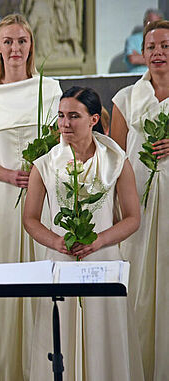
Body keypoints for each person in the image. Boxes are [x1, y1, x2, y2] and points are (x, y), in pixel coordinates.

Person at [24, 86, 144, 381]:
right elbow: (30, 219)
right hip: (60, 261)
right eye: (61, 116)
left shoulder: (117, 161)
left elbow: (132, 218)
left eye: (74, 116)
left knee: (104, 336)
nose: (65, 124)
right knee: (60, 336)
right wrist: (56, 241)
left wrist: (99, 240)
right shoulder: (44, 164)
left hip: (103, 261)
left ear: (93, 119)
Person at [0, 13, 62, 380]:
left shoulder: (50, 89)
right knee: (5, 281)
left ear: (30, 44)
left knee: (45, 279)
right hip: (5, 198)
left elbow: (61, 141)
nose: (15, 48)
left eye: (21, 40)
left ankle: (42, 366)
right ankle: (5, 369)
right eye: (7, 41)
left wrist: (40, 173)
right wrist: (7, 174)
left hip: (45, 197)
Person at [112, 19, 169, 381]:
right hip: (140, 205)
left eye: (165, 46)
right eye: (152, 47)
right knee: (141, 282)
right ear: (142, 52)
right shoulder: (125, 98)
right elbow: (115, 157)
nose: (158, 53)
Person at [124, 9, 164, 73]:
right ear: (145, 23)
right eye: (151, 22)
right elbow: (133, 59)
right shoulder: (132, 40)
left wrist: (142, 57)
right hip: (137, 78)